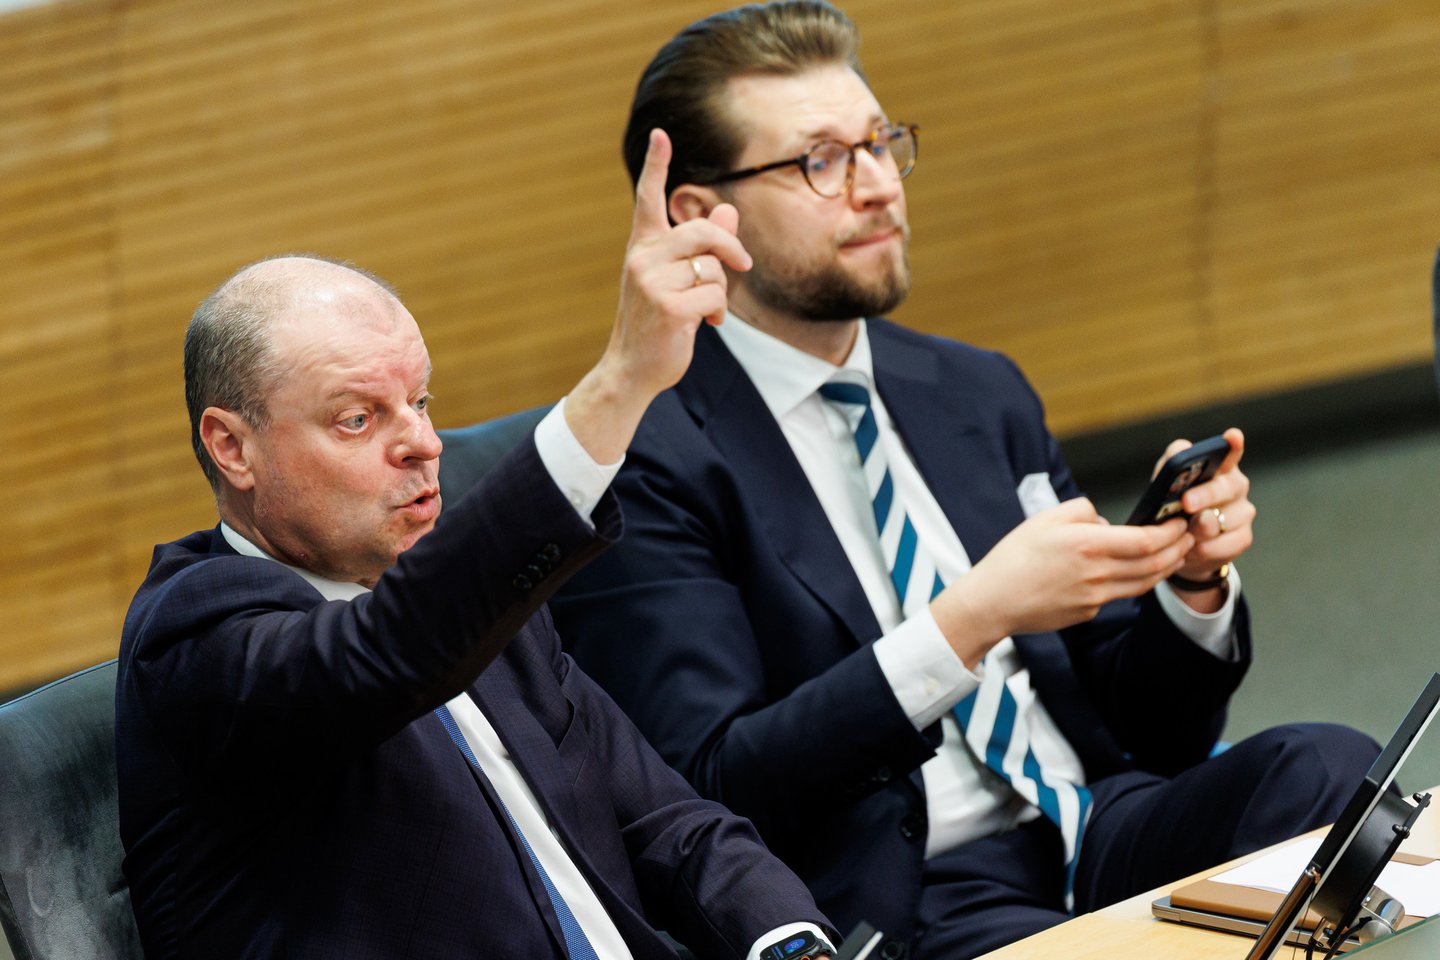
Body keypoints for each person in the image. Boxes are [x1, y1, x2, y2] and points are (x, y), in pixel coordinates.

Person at [547, 4, 1381, 958]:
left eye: (879, 145)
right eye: (822, 162)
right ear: (703, 216)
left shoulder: (975, 391)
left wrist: (1190, 588)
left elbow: (1157, 734)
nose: (877, 188)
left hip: (1092, 827)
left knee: (1330, 772)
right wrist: (969, 621)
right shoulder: (648, 457)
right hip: (912, 888)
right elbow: (714, 784)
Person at [114, 131, 841, 959]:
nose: (423, 444)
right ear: (232, 448)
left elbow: (664, 820)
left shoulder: (488, 617)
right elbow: (383, 652)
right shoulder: (197, 635)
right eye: (358, 418)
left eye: (420, 402)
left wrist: (789, 944)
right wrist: (620, 382)